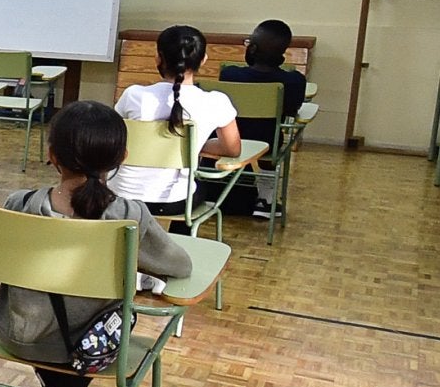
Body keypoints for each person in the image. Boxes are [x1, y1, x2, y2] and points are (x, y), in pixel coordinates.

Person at [0, 102, 192, 387]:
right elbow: (180, 266)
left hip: (18, 335)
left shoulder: (18, 204)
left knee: (47, 319)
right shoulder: (128, 215)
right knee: (103, 320)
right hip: (93, 346)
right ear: (122, 157)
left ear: (52, 155)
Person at [109, 25, 241, 230]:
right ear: (203, 60)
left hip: (121, 197)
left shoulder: (133, 95)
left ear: (158, 58)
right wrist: (191, 147)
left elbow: (112, 139)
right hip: (174, 202)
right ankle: (176, 246)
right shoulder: (216, 102)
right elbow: (232, 149)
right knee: (196, 188)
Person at [218, 20, 307, 219]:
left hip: (228, 140)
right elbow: (293, 110)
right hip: (268, 144)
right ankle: (266, 200)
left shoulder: (230, 74)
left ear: (253, 48)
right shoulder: (294, 81)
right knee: (271, 135)